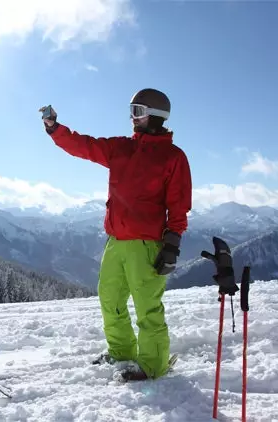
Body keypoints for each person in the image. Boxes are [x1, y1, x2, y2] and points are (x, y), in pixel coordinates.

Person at [40, 88, 193, 381]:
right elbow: (84, 146)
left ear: (157, 117)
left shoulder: (172, 157)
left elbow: (179, 204)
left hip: (146, 245)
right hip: (116, 241)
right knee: (110, 298)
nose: (132, 118)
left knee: (147, 307)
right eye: (131, 110)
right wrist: (55, 129)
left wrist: (172, 244)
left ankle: (153, 364)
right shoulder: (122, 148)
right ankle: (121, 351)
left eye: (139, 111)